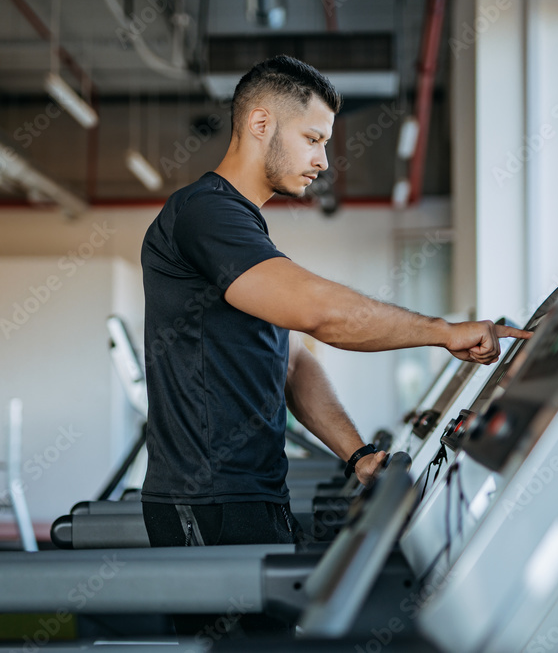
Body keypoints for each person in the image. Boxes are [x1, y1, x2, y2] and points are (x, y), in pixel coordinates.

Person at [140, 55, 530, 551]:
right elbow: (319, 313)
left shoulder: (239, 224)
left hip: (248, 496)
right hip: (208, 503)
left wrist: (359, 454)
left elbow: (289, 361)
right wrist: (442, 331)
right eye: (313, 139)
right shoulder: (206, 213)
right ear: (261, 123)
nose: (324, 161)